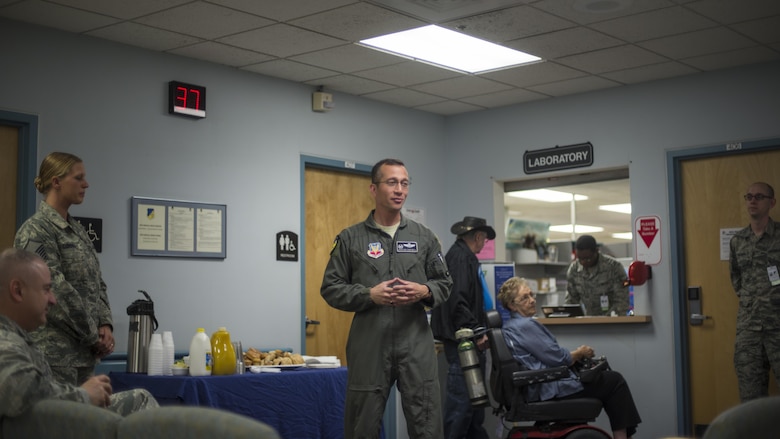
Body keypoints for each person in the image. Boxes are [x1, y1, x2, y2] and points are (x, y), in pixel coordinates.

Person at [320, 158, 452, 439]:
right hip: (370, 344)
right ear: (373, 189)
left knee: (427, 424)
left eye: (404, 183)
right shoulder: (351, 238)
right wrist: (369, 294)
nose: (399, 190)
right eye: (392, 182)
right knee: (362, 426)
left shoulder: (425, 237)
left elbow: (444, 283)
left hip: (416, 342)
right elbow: (331, 287)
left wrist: (424, 291)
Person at [0, 248, 158, 417]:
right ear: (17, 290)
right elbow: (19, 393)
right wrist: (83, 395)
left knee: (139, 399)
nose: (53, 299)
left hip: (53, 422)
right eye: (46, 289)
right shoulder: (5, 343)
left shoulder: (17, 337)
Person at [14, 152, 115, 386]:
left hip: (85, 356)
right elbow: (53, 291)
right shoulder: (36, 231)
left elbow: (96, 282)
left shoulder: (78, 230)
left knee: (88, 421)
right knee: (62, 421)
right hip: (54, 358)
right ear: (56, 182)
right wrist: (93, 334)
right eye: (78, 178)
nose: (86, 184)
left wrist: (105, 324)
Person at [497, 276, 641, 439]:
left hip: (537, 385)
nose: (531, 300)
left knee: (606, 379)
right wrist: (580, 352)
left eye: (531, 295)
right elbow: (559, 358)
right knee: (614, 381)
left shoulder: (512, 326)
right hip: (547, 388)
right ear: (512, 305)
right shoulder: (525, 326)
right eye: (525, 297)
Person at [431, 216, 495, 439]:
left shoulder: (460, 256)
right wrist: (476, 331)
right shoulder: (461, 259)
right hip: (464, 342)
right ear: (478, 237)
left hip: (465, 339)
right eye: (484, 240)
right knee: (461, 405)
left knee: (473, 407)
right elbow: (458, 300)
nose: (484, 244)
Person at [729, 181, 780, 401]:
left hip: (778, 326)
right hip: (749, 330)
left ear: (772, 202)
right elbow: (736, 279)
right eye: (749, 196)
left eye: (759, 197)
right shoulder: (738, 241)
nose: (752, 201)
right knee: (750, 398)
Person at [565, 235, 629, 316]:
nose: (583, 262)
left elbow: (622, 302)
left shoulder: (614, 267)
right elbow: (571, 301)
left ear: (596, 251)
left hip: (613, 322)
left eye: (587, 258)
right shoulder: (574, 269)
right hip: (589, 323)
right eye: (580, 258)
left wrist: (603, 320)